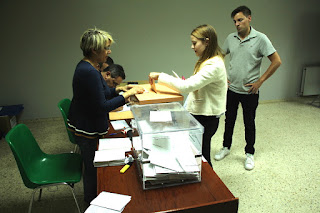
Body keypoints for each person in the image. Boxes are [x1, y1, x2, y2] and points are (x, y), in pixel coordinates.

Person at [67, 28, 144, 203]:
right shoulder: (89, 72)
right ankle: (91, 202)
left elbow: (101, 92)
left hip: (87, 124)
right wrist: (126, 95)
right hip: (86, 130)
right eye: (106, 48)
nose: (109, 52)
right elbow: (102, 106)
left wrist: (118, 89)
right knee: (93, 170)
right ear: (95, 50)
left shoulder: (89, 67)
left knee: (94, 168)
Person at [149, 24, 227, 167]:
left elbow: (186, 87)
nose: (192, 47)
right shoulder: (208, 61)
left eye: (194, 43)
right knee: (196, 152)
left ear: (207, 42)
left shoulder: (213, 65)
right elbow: (193, 85)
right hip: (201, 114)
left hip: (206, 118)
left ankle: (210, 185)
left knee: (201, 155)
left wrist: (160, 76)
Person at [214, 6, 282, 170]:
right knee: (229, 120)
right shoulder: (231, 38)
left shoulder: (260, 39)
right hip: (232, 90)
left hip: (250, 92)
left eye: (240, 20)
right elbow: (219, 57)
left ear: (249, 18)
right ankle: (226, 147)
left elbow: (277, 61)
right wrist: (224, 78)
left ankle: (249, 154)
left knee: (249, 123)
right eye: (235, 21)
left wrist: (260, 81)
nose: (237, 24)